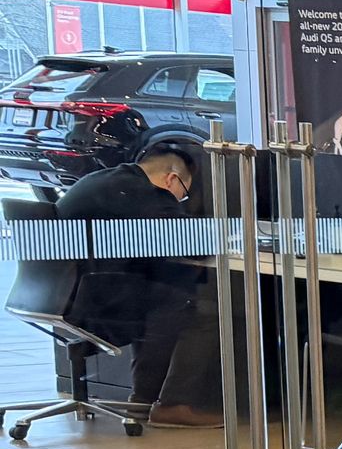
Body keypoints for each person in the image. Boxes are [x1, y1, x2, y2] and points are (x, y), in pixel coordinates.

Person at [57, 138, 221, 428]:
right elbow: (196, 244)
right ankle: (168, 405)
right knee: (191, 306)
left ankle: (143, 401)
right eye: (182, 193)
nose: (180, 200)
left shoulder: (105, 180)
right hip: (90, 297)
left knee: (160, 289)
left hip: (60, 291)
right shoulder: (142, 192)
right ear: (171, 179)